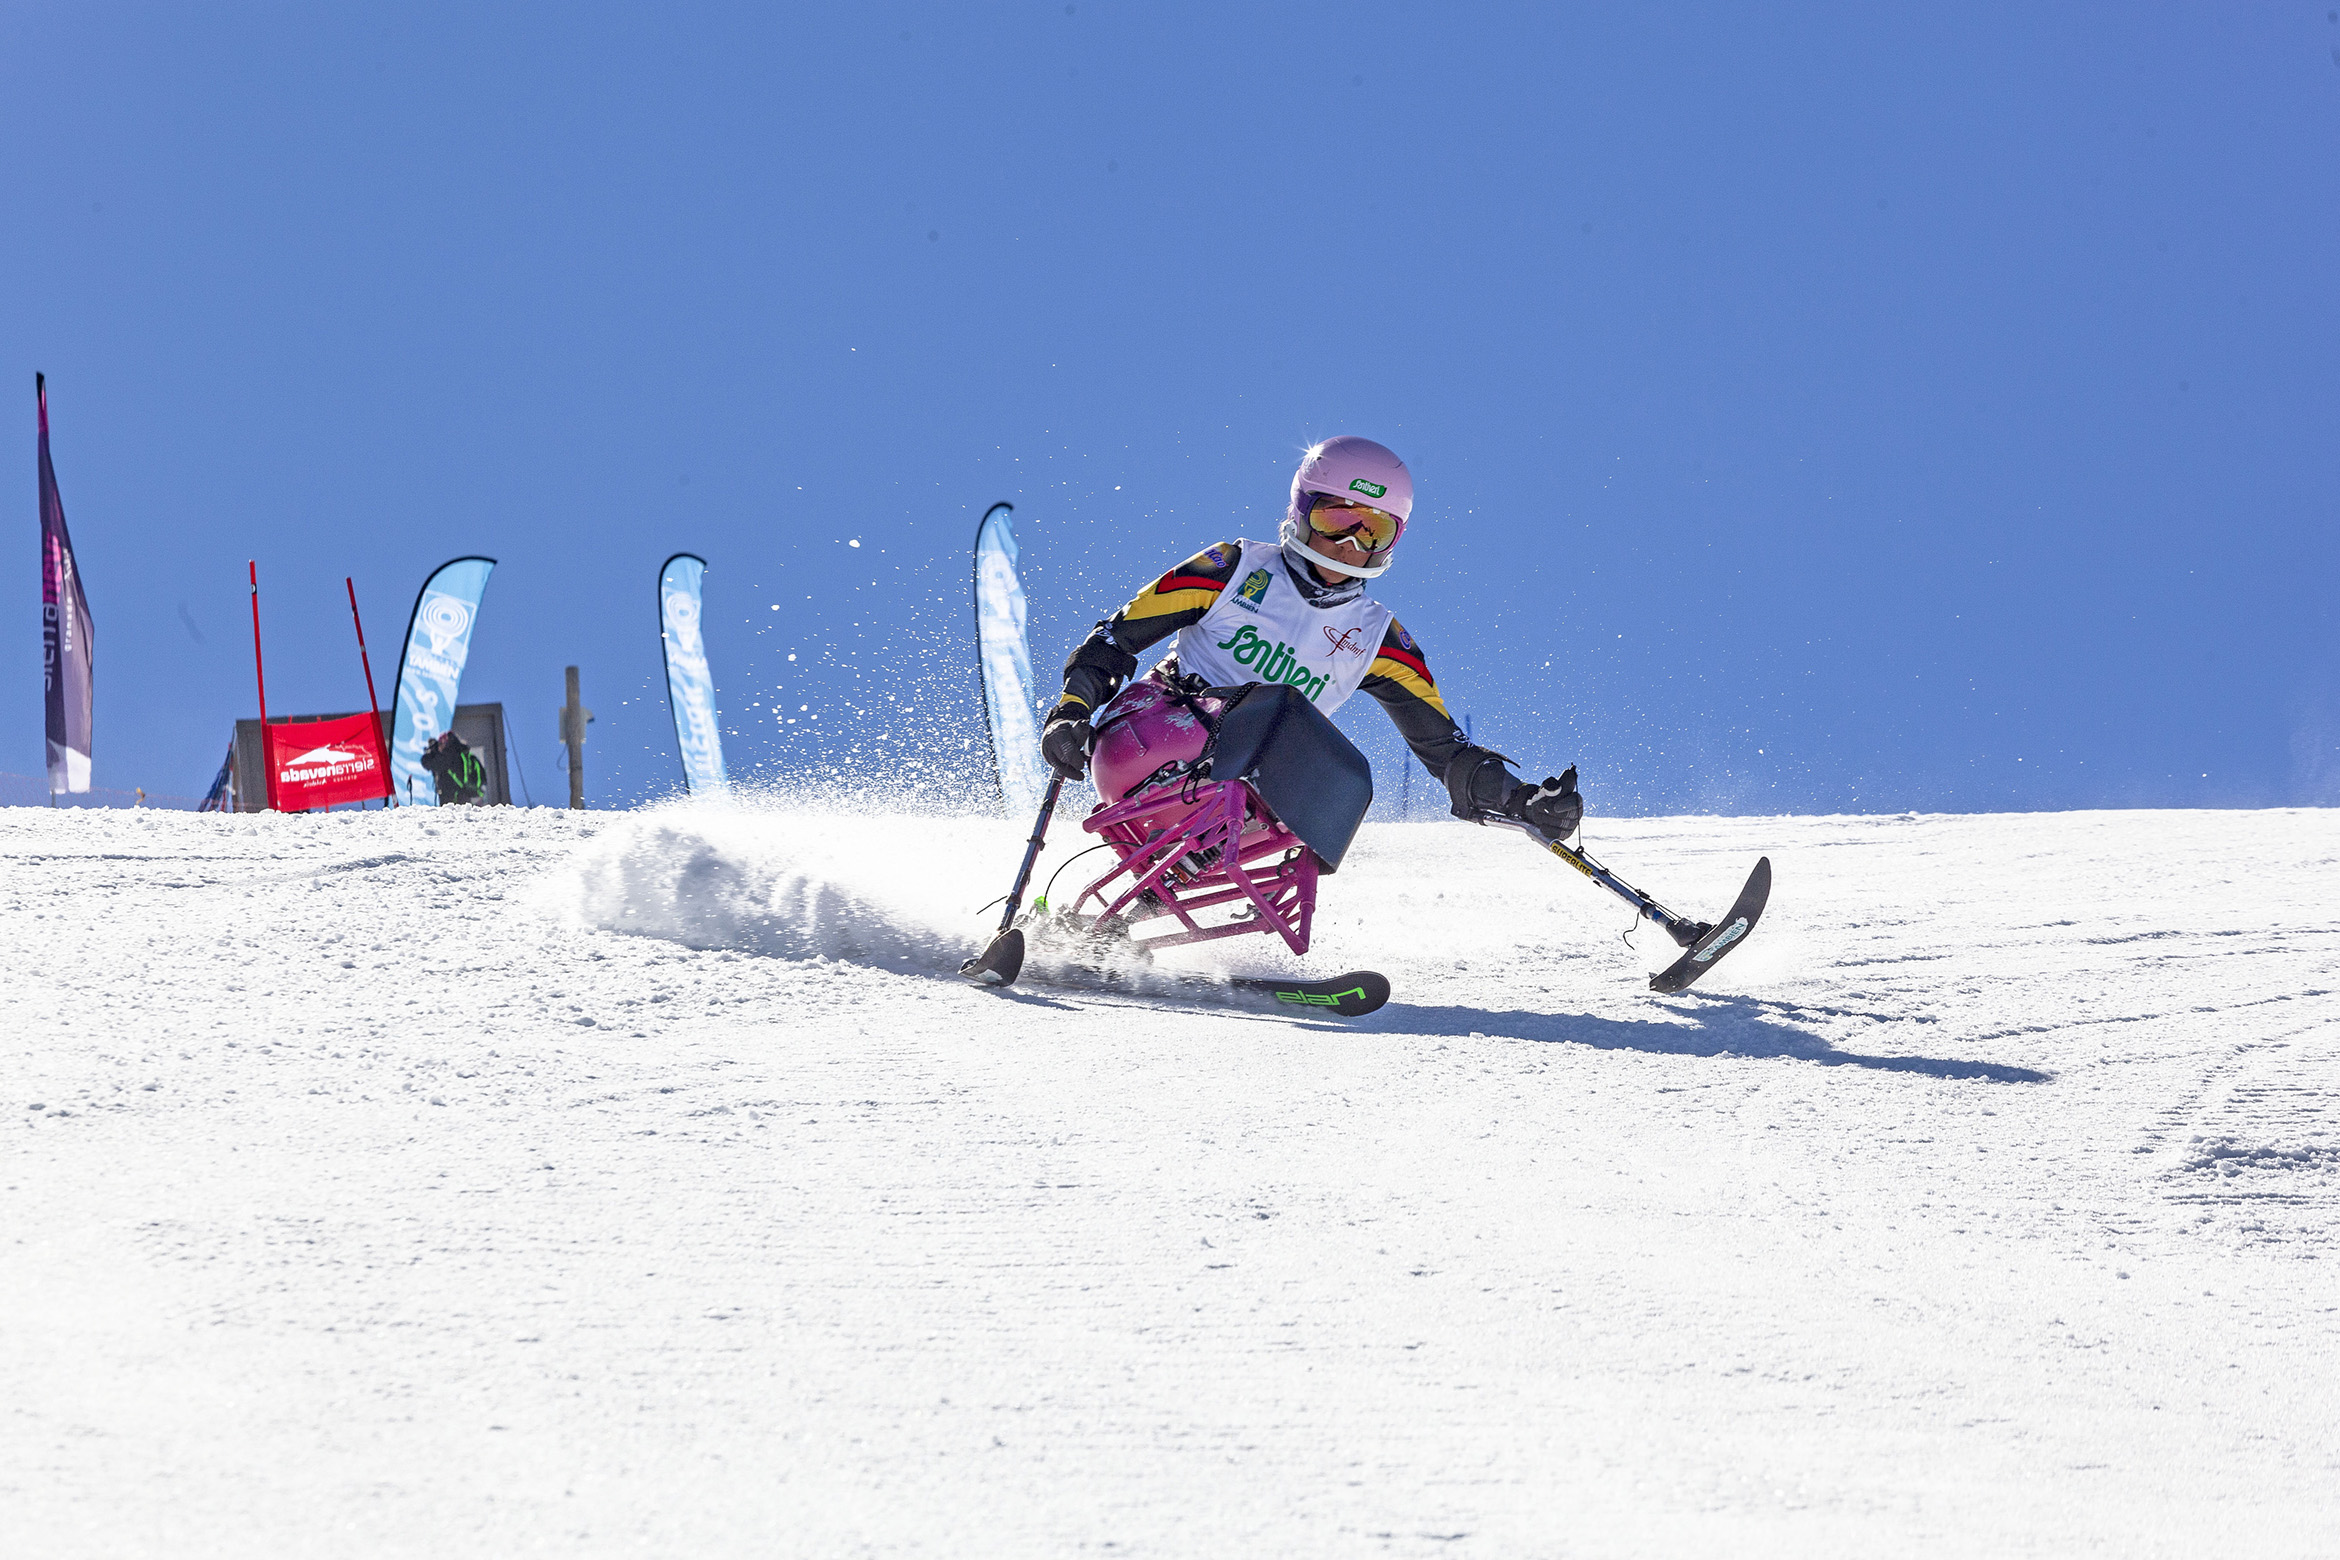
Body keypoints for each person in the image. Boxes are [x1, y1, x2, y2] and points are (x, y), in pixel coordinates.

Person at [1039, 435, 1582, 843]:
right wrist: (1069, 712)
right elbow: (1115, 640)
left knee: (1340, 779)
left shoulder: (1379, 639)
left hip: (1246, 796)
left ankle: (1121, 922)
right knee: (1280, 712)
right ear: (1302, 511)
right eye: (1335, 518)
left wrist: (1522, 800)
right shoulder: (1231, 568)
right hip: (1146, 744)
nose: (1350, 542)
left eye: (1373, 529)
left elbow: (1445, 752)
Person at [421, 729, 488, 805]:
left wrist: (432, 751)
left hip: (452, 796)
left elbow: (428, 762)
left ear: (445, 744)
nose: (439, 747)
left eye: (440, 744)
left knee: (453, 814)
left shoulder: (448, 755)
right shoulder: (460, 752)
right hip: (464, 794)